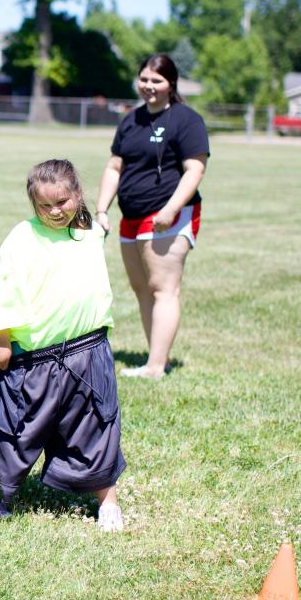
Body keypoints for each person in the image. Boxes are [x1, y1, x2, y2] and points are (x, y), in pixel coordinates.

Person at [0, 159, 125, 532]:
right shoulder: (22, 237)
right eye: (45, 206)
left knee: (98, 425)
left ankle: (108, 502)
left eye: (63, 202)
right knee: (15, 427)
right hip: (35, 359)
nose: (55, 211)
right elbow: (2, 290)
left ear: (77, 195)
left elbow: (97, 218)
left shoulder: (90, 234)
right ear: (32, 204)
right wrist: (1, 341)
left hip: (89, 352)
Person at [96, 54, 210, 380]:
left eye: (156, 80)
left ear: (171, 84)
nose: (149, 86)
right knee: (142, 289)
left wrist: (171, 209)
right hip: (130, 216)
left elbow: (195, 168)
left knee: (163, 287)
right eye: (144, 79)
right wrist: (103, 209)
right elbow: (115, 166)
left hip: (167, 214)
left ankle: (156, 367)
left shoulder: (186, 120)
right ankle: (156, 357)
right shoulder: (131, 120)